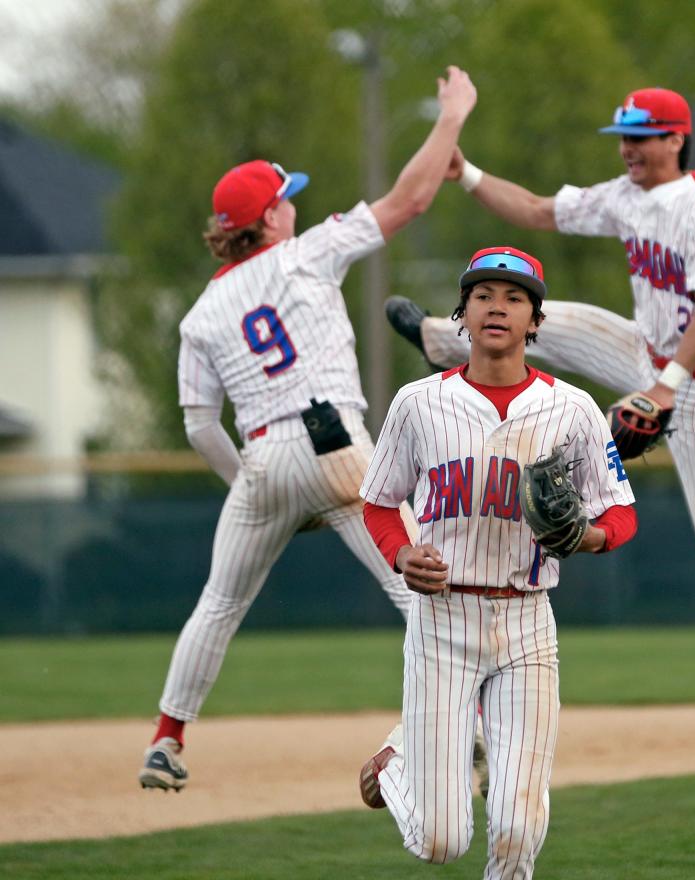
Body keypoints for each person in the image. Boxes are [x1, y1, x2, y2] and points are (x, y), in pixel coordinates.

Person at [385, 87, 695, 765]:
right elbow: (535, 210)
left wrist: (664, 391)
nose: (628, 148)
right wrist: (465, 175)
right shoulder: (625, 194)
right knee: (525, 319)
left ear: (676, 139)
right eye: (623, 135)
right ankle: (439, 339)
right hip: (639, 351)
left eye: (641, 137)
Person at [137, 67, 478, 792]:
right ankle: (467, 726)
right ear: (267, 221)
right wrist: (451, 117)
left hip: (260, 456)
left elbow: (200, 426)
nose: (293, 206)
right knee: (422, 591)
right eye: (284, 199)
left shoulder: (199, 315)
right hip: (337, 446)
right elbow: (411, 198)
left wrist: (250, 488)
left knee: (219, 604)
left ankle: (167, 740)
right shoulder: (306, 253)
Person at [358, 247, 637, 876]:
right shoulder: (417, 403)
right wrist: (401, 553)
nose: (497, 307)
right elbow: (377, 503)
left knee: (519, 824)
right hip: (441, 620)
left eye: (514, 298)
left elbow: (621, 512)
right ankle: (395, 764)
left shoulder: (574, 410)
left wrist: (587, 538)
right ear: (463, 312)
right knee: (440, 841)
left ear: (535, 320)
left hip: (528, 623)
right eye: (483, 294)